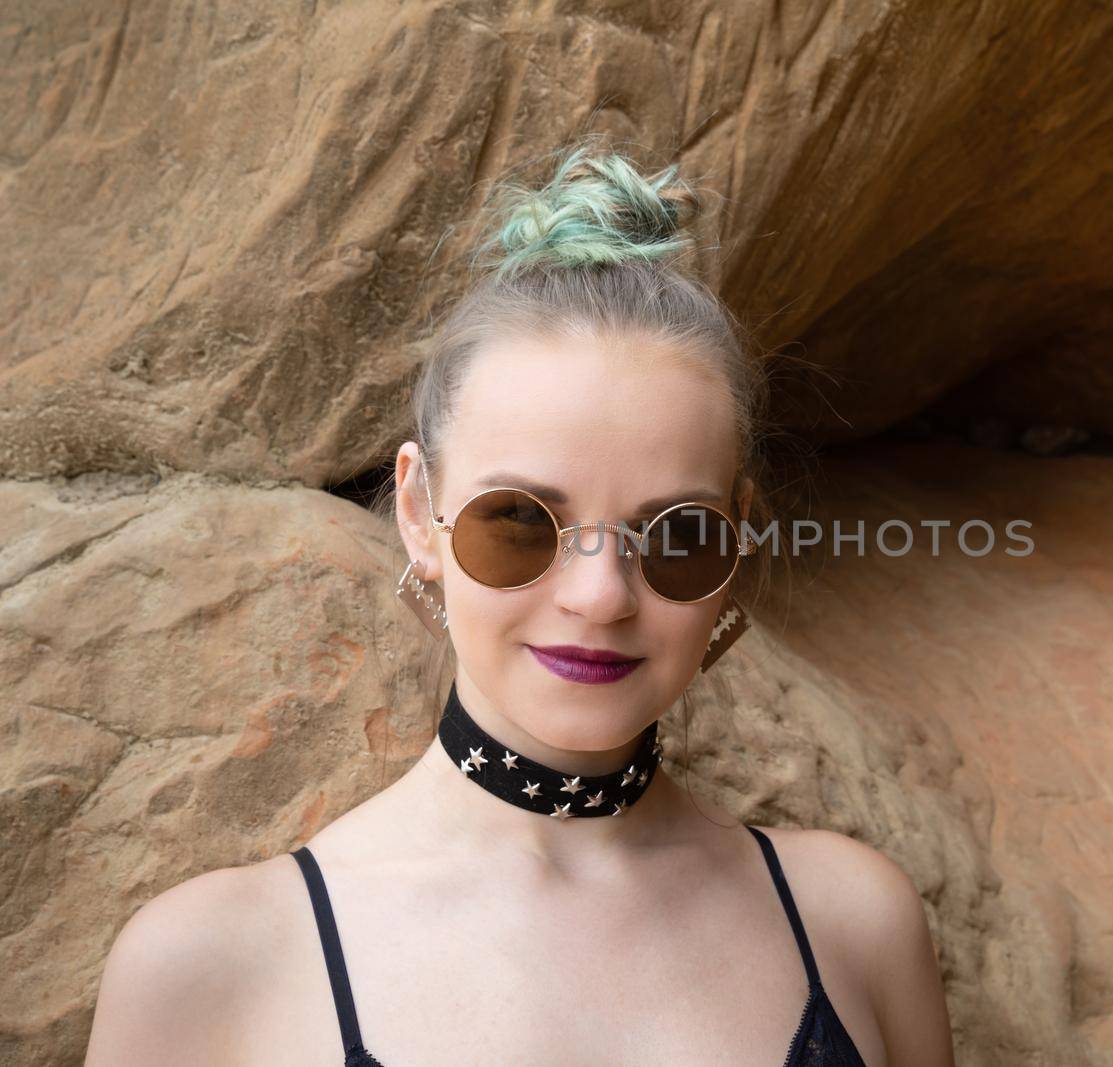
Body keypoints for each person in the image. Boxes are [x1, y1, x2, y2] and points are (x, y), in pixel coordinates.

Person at [84, 138, 954, 1067]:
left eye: (676, 535)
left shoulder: (856, 925)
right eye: (522, 523)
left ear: (737, 537)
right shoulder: (210, 967)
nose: (600, 595)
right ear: (420, 510)